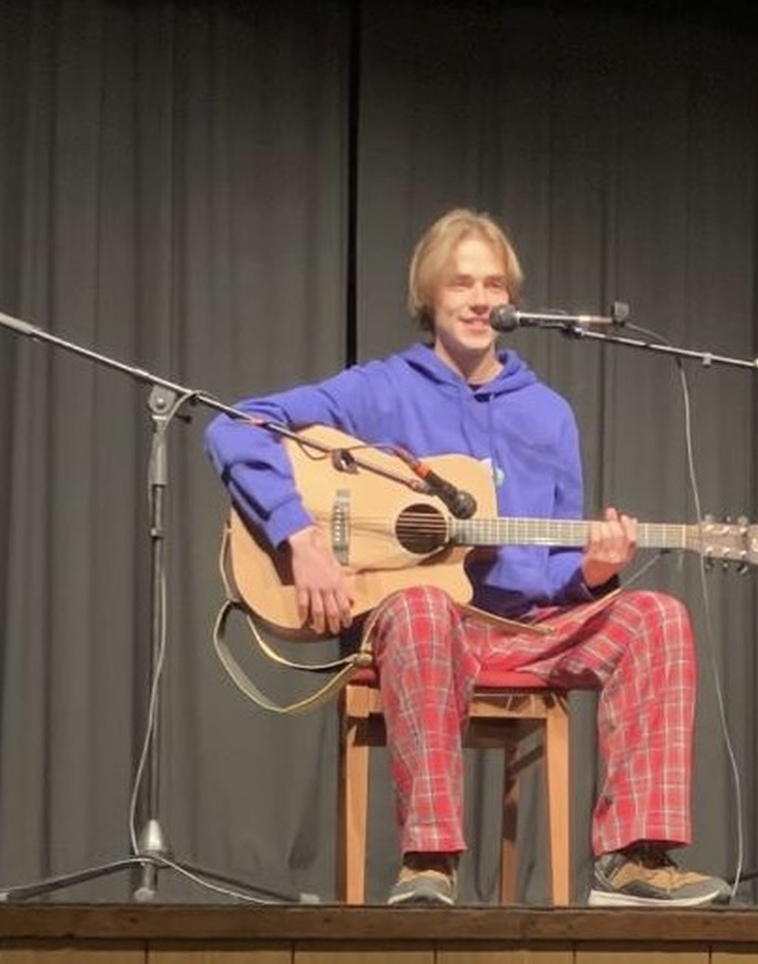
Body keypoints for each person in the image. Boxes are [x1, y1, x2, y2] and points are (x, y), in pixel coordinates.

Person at [205, 208, 728, 908]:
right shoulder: (381, 390)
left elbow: (553, 581)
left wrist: (593, 573)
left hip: (525, 631)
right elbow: (235, 427)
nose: (480, 300)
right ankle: (430, 861)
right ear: (431, 296)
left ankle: (634, 861)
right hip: (420, 633)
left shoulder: (548, 414)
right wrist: (300, 539)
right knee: (425, 606)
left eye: (493, 285)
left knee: (657, 618)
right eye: (461, 283)